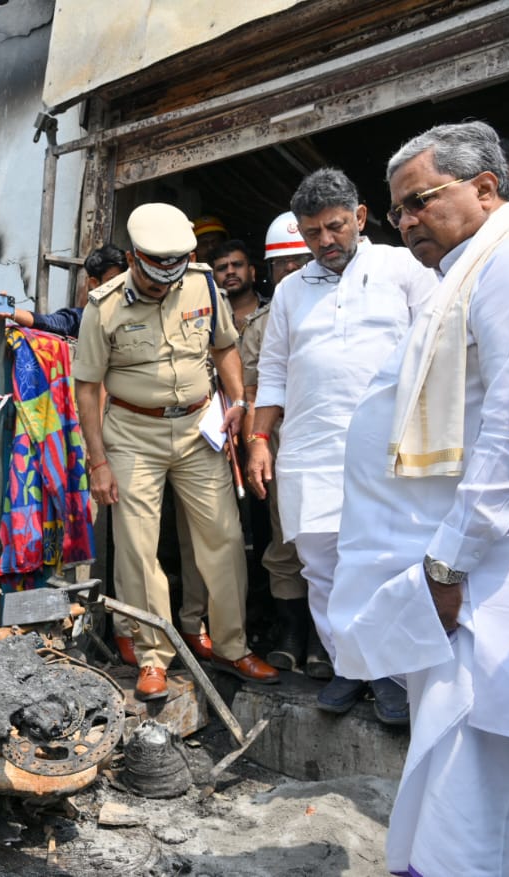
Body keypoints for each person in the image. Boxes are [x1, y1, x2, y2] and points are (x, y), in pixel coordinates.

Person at [328, 121, 509, 876]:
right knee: (477, 766)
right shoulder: (478, 267)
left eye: (420, 201)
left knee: (466, 766)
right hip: (473, 562)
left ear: (486, 187)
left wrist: (447, 565)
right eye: (398, 212)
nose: (407, 221)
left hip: (486, 571)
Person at [247, 169, 435, 720]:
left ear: (359, 216)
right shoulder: (289, 290)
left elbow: (437, 348)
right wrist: (260, 438)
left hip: (389, 448)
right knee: (321, 566)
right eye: (312, 233)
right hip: (310, 449)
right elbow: (275, 369)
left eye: (334, 227)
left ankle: (396, 675)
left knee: (386, 561)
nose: (325, 241)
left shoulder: (403, 267)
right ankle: (354, 666)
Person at [74, 202, 279, 699]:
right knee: (139, 548)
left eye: (174, 271)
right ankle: (152, 655)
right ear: (134, 258)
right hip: (132, 433)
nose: (164, 283)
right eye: (153, 275)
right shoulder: (103, 306)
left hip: (196, 429)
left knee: (224, 538)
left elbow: (224, 348)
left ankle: (232, 646)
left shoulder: (203, 283)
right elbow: (86, 387)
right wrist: (97, 462)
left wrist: (238, 403)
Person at [238, 213, 320, 675]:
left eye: (299, 260)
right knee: (286, 539)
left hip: (339, 444)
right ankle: (291, 630)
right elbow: (253, 394)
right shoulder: (262, 325)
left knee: (338, 540)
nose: (291, 271)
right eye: (280, 265)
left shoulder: (350, 304)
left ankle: (325, 641)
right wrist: (257, 446)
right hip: (285, 444)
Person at [0, 245, 127, 334]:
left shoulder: (140, 313)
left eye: (123, 281)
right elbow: (49, 322)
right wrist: (11, 311)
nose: (120, 287)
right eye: (113, 282)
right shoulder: (83, 319)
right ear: (94, 283)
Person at [212, 240, 262, 327]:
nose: (230, 272)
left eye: (237, 265)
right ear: (213, 278)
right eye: (222, 268)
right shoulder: (209, 318)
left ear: (252, 272)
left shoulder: (274, 308)